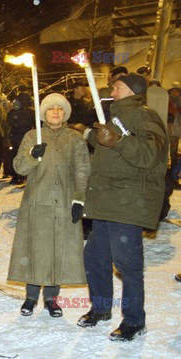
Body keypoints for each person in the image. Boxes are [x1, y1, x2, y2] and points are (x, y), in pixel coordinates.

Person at [79, 73, 168, 341]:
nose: (112, 92)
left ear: (130, 90)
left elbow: (149, 155)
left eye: (116, 88)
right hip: (106, 202)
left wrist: (117, 140)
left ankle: (134, 321)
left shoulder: (145, 115)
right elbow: (108, 147)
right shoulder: (116, 115)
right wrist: (88, 134)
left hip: (127, 202)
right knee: (95, 257)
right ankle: (102, 308)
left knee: (128, 265)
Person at [7, 93, 90, 318]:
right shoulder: (33, 136)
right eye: (51, 108)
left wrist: (79, 197)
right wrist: (33, 155)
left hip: (63, 202)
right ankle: (31, 297)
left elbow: (82, 169)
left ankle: (52, 299)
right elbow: (18, 167)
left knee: (57, 250)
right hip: (37, 202)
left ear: (65, 113)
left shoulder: (75, 138)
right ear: (44, 113)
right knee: (34, 249)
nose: (55, 112)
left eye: (60, 109)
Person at [5, 93, 35, 184]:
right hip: (25, 137)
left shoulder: (13, 112)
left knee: (15, 156)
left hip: (15, 137)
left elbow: (8, 122)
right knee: (25, 156)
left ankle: (15, 176)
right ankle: (22, 176)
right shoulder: (32, 112)